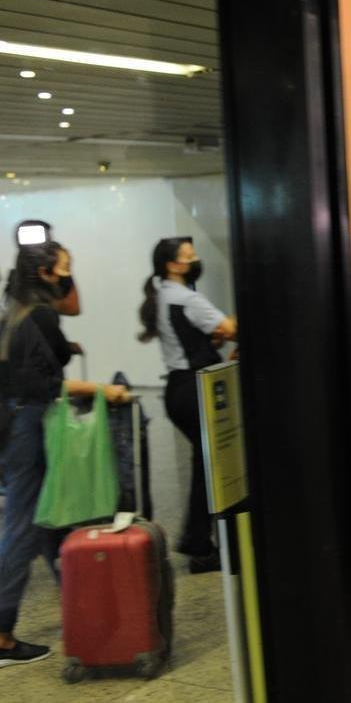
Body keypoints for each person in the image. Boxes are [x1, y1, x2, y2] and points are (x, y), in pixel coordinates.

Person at [0, 241, 130, 668]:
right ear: (46, 274)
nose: (70, 277)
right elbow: (47, 379)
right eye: (66, 269)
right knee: (23, 524)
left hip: (13, 421)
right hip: (28, 425)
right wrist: (100, 389)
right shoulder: (40, 314)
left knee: (45, 521)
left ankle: (85, 609)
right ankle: (1, 632)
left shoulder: (14, 308)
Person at [137, 237, 236, 575]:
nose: (195, 260)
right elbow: (229, 328)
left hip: (178, 389)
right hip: (195, 389)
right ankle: (202, 543)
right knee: (214, 464)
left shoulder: (164, 293)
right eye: (188, 256)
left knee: (205, 464)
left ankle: (199, 542)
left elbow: (202, 334)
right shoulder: (186, 298)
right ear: (172, 265)